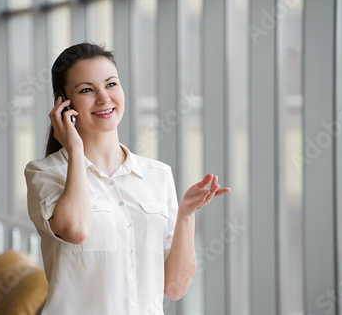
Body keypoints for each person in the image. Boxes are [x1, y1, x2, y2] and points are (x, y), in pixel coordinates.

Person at [24, 42, 230, 314]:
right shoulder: (46, 172)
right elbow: (76, 230)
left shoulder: (158, 175)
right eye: (87, 90)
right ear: (62, 102)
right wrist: (75, 150)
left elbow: (175, 288)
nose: (104, 98)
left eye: (111, 84)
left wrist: (186, 215)